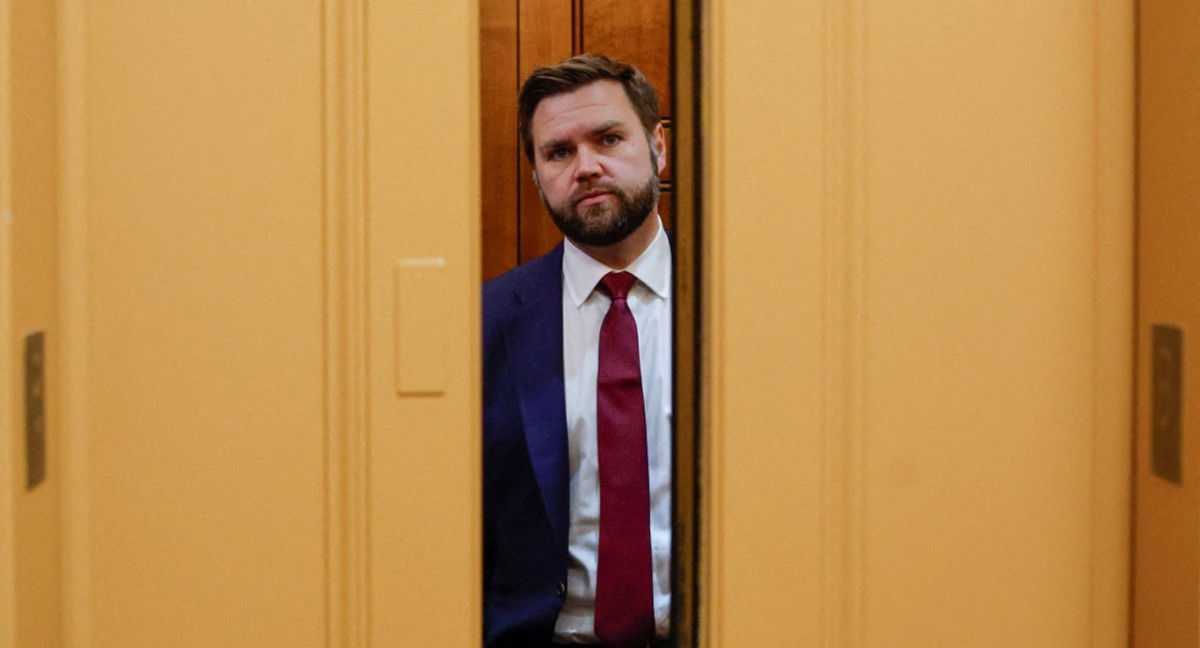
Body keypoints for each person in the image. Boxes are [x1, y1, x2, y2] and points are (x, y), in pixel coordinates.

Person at [482, 54, 672, 648]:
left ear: (658, 147)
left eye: (609, 138)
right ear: (537, 174)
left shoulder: (741, 308)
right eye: (558, 152)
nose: (586, 167)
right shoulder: (481, 322)